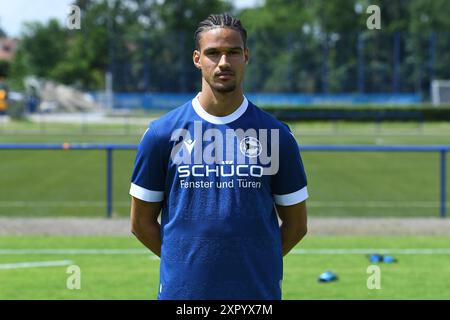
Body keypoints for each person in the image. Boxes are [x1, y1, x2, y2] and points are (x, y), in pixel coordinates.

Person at [130, 13, 308, 300]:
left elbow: (297, 226)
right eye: (213, 53)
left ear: (246, 56)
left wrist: (255, 263)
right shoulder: (161, 134)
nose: (223, 62)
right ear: (197, 59)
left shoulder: (277, 135)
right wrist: (184, 264)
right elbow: (140, 224)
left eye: (233, 52)